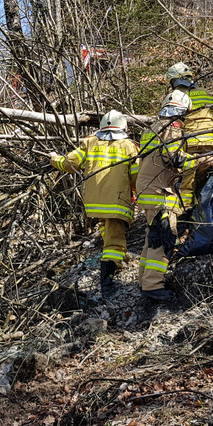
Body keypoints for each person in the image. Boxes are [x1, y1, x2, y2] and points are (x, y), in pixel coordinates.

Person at [135, 91, 213, 301]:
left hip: (147, 188)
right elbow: (175, 159)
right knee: (165, 238)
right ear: (183, 112)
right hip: (159, 192)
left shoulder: (155, 127)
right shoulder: (171, 129)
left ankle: (144, 281)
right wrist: (203, 160)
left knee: (152, 237)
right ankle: (153, 286)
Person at [48, 110, 140, 297]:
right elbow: (136, 177)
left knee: (107, 228)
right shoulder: (129, 146)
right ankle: (108, 284)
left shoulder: (89, 142)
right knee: (115, 242)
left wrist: (53, 159)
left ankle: (118, 259)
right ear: (123, 127)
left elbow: (69, 164)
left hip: (94, 202)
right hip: (117, 201)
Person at [165, 62, 213, 207]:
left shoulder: (176, 97)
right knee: (205, 180)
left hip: (191, 143)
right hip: (211, 142)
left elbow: (170, 122)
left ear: (174, 80)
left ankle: (187, 213)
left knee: (186, 183)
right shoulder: (205, 93)